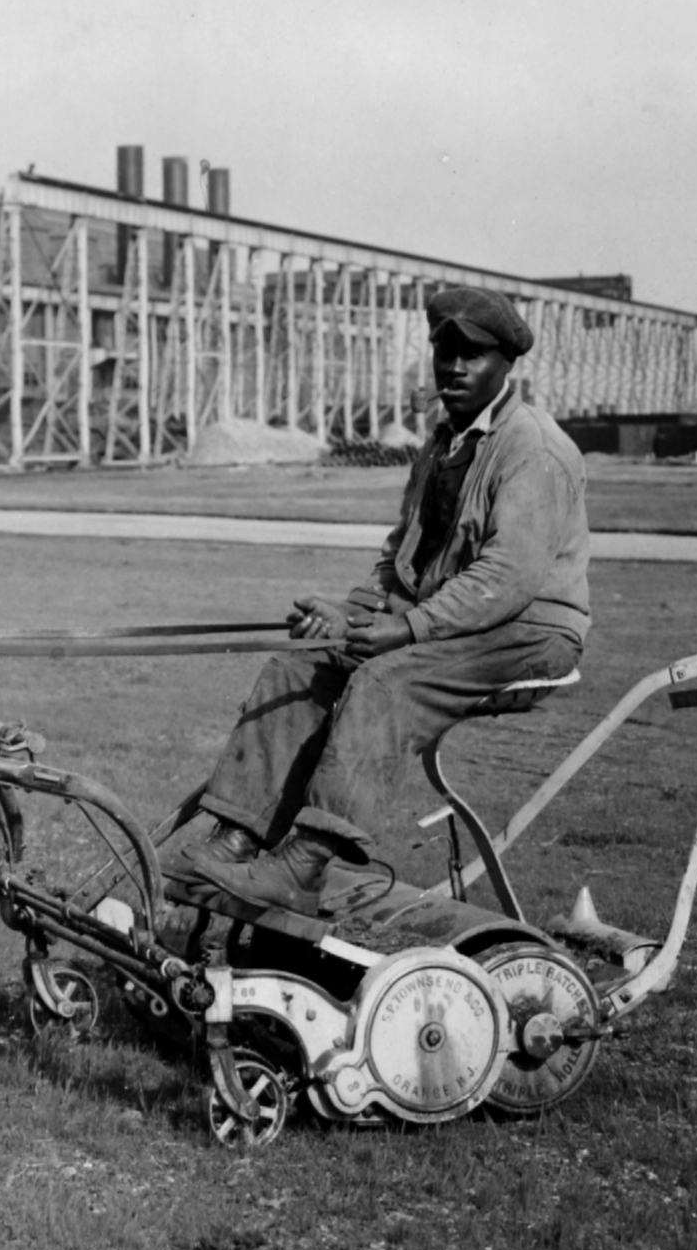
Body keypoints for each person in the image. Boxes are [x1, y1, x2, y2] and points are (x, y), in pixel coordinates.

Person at [167, 284, 591, 916]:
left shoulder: (534, 448)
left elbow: (507, 579)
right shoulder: (442, 445)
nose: (452, 367)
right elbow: (403, 561)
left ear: (507, 363)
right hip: (455, 619)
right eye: (443, 352)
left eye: (471, 355)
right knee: (296, 667)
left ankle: (305, 864)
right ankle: (235, 838)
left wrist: (408, 629)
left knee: (385, 682)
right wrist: (351, 614)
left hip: (529, 630)